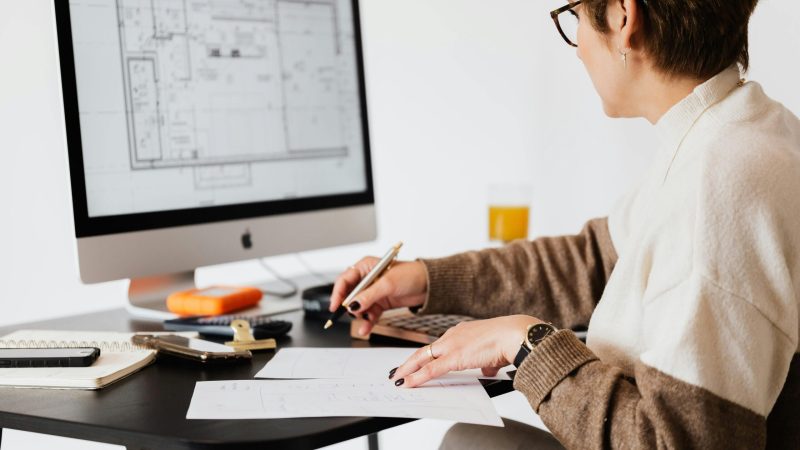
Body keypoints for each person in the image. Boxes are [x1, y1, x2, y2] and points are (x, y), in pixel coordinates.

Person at [330, 0, 800, 448]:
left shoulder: (719, 186)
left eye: (573, 16)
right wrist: (427, 278)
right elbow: (595, 260)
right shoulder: (739, 132)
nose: (577, 44)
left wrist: (525, 343)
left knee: (468, 442)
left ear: (622, 16)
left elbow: (679, 441)